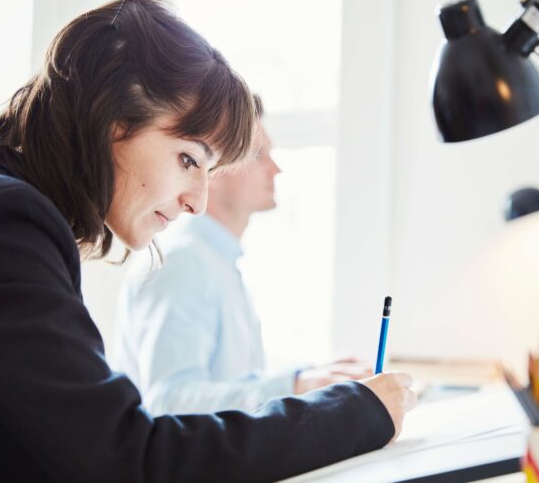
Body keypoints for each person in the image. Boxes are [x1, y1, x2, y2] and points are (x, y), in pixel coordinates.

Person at [0, 0, 417, 483]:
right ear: (110, 117)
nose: (197, 202)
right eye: (188, 159)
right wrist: (356, 413)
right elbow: (127, 458)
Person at [114, 94, 372, 414]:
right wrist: (296, 385)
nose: (276, 168)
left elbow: (228, 384)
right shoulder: (181, 263)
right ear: (214, 169)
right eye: (259, 155)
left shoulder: (215, 262)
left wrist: (310, 376)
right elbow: (169, 402)